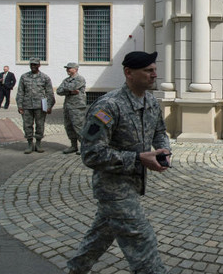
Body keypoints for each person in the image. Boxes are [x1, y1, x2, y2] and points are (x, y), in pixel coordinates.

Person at [67, 51, 171, 274]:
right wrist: (138, 158)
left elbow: (160, 132)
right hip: (112, 189)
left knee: (101, 235)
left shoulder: (151, 102)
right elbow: (91, 154)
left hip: (134, 184)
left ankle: (76, 269)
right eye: (148, 71)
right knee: (142, 240)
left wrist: (164, 151)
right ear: (129, 73)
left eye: (154, 70)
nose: (154, 74)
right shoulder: (108, 106)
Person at [16, 58, 55, 154]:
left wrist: (49, 106)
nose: (33, 66)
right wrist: (19, 105)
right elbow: (20, 92)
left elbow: (50, 93)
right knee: (27, 125)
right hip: (27, 105)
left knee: (40, 125)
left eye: (35, 64)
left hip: (40, 106)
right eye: (31, 64)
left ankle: (38, 143)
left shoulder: (45, 77)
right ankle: (30, 144)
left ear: (39, 65)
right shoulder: (24, 77)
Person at [56, 62, 87, 154]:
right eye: (67, 68)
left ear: (75, 69)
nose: (67, 70)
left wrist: (67, 89)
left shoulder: (80, 79)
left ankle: (84, 147)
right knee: (69, 127)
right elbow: (59, 91)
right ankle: (73, 146)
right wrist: (70, 92)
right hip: (68, 107)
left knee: (79, 127)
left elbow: (72, 87)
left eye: (69, 68)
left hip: (77, 107)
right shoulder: (66, 80)